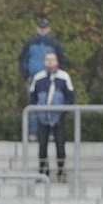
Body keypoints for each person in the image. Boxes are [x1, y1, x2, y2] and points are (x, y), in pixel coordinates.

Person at [28, 52, 75, 183]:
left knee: (60, 145)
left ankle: (61, 171)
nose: (50, 62)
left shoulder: (64, 77)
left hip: (58, 117)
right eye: (47, 59)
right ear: (44, 61)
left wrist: (62, 111)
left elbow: (70, 96)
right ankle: (43, 170)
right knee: (42, 146)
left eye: (52, 59)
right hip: (43, 118)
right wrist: (38, 111)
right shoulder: (38, 77)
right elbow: (32, 97)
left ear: (56, 62)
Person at [19, 18, 67, 140]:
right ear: (37, 29)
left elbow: (62, 61)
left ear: (48, 29)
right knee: (34, 106)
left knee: (52, 106)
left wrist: (57, 75)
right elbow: (22, 60)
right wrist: (26, 75)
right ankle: (33, 134)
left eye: (44, 28)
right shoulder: (30, 43)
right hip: (34, 80)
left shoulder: (54, 44)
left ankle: (50, 134)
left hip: (51, 80)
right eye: (40, 27)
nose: (42, 30)